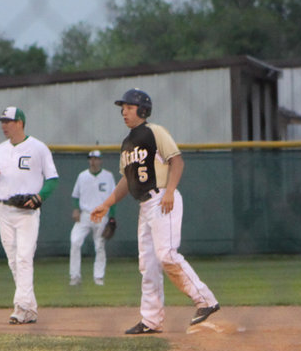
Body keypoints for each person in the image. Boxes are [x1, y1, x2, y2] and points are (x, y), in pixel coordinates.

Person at [91, 88, 220, 334]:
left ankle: (206, 300)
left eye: (128, 107)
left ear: (142, 110)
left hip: (162, 198)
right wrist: (107, 203)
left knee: (167, 255)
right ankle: (151, 320)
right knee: (147, 265)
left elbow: (177, 160)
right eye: (123, 108)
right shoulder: (127, 143)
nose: (123, 112)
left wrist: (170, 190)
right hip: (145, 206)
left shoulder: (155, 132)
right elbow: (126, 181)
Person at [0, 106, 58, 324]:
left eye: (8, 121)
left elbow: (52, 179)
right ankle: (30, 308)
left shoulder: (38, 148)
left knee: (24, 257)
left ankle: (20, 308)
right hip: (3, 209)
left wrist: (40, 197)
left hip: (27, 211)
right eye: (2, 122)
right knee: (14, 261)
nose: (3, 125)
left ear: (20, 123)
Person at [68, 149, 116, 286]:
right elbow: (75, 196)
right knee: (75, 241)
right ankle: (75, 276)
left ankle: (98, 277)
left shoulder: (108, 176)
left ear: (100, 160)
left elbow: (113, 198)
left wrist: (112, 217)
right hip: (85, 215)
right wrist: (76, 209)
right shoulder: (82, 176)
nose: (93, 161)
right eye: (91, 158)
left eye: (96, 158)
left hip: (101, 215)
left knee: (99, 246)